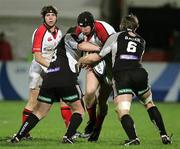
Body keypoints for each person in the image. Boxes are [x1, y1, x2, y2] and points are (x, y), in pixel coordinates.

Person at [79, 14, 172, 145]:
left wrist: (82, 60)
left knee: (122, 110)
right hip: (139, 73)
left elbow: (99, 56)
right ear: (136, 27)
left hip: (122, 75)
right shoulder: (142, 40)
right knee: (149, 104)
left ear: (121, 26)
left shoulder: (115, 36)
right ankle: (164, 135)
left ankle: (134, 138)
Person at [21, 5, 73, 139]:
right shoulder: (40, 31)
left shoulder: (59, 32)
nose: (50, 18)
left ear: (56, 17)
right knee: (33, 102)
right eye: (48, 15)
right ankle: (24, 133)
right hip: (39, 69)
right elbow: (38, 57)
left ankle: (70, 133)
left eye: (53, 15)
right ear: (44, 17)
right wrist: (54, 68)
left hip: (52, 68)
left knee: (64, 99)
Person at [75, 11, 116, 141]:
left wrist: (89, 57)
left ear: (93, 24)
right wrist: (88, 57)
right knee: (89, 92)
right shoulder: (79, 30)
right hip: (96, 59)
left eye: (86, 27)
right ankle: (92, 123)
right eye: (81, 27)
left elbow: (111, 50)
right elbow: (77, 44)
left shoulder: (102, 30)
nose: (83, 30)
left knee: (102, 100)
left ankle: (97, 129)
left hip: (110, 63)